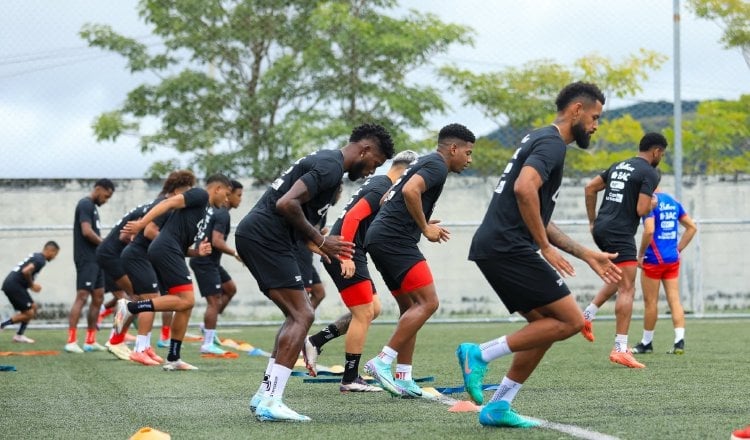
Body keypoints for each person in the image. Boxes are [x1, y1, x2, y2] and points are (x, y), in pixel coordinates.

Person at [456, 82, 621, 428]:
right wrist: (543, 248)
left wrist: (586, 253)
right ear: (576, 110)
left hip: (498, 246)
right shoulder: (551, 144)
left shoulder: (539, 138)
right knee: (572, 321)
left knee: (546, 327)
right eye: (594, 117)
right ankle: (480, 354)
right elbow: (523, 188)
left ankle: (499, 406)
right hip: (507, 246)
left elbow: (540, 216)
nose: (595, 125)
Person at [239, 123, 394, 422]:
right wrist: (323, 240)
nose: (370, 172)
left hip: (265, 238)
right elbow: (286, 204)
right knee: (303, 315)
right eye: (374, 164)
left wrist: (325, 247)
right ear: (365, 150)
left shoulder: (329, 166)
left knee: (296, 314)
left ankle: (265, 395)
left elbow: (298, 218)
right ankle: (272, 400)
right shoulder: (330, 165)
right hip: (265, 238)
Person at [363, 124, 474, 400]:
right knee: (429, 302)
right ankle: (381, 362)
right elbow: (411, 191)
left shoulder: (424, 163)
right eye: (468, 153)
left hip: (380, 238)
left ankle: (403, 377)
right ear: (453, 149)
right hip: (394, 241)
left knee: (411, 308)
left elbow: (390, 196)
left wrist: (418, 221)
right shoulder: (436, 165)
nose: (469, 160)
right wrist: (423, 227)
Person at [304, 150, 419, 393]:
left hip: (352, 251)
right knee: (364, 313)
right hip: (346, 251)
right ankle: (350, 378)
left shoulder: (380, 184)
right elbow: (354, 217)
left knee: (372, 309)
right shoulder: (381, 186)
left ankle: (316, 341)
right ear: (407, 170)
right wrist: (345, 256)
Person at [115, 174, 232, 371]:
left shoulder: (203, 212)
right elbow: (169, 202)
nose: (227, 200)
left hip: (169, 250)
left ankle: (173, 357)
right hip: (165, 249)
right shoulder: (200, 195)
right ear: (218, 189)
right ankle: (131, 308)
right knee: (187, 300)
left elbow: (181, 245)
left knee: (184, 306)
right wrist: (141, 224)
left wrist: (197, 252)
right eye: (227, 194)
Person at [581, 132, 666, 368]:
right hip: (620, 232)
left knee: (620, 277)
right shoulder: (650, 171)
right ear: (657, 151)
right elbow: (641, 209)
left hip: (602, 228)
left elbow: (590, 188)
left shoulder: (619, 165)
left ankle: (586, 315)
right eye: (662, 154)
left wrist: (591, 221)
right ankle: (620, 348)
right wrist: (653, 203)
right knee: (628, 287)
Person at [100, 171, 196, 361]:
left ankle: (133, 343)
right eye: (187, 191)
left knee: (139, 299)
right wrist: (168, 246)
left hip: (135, 255)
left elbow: (134, 234)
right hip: (133, 256)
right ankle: (136, 347)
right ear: (178, 190)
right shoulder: (164, 205)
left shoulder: (162, 204)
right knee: (147, 299)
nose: (188, 197)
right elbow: (145, 232)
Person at [631, 189, 697, 355]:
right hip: (672, 259)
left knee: (651, 302)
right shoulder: (672, 200)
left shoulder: (650, 202)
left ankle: (647, 343)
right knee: (674, 300)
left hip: (653, 259)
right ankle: (679, 341)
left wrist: (640, 255)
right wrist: (678, 249)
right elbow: (692, 227)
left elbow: (649, 230)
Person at [189, 179, 244, 355]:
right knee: (214, 302)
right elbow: (217, 241)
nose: (240, 200)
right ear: (227, 196)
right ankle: (207, 342)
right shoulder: (222, 214)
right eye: (238, 195)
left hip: (211, 262)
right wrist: (235, 253)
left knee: (230, 288)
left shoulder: (216, 212)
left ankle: (207, 327)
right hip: (204, 261)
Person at [65, 178, 115, 353]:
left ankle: (90, 340)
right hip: (86, 259)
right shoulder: (85, 204)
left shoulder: (93, 207)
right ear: (99, 189)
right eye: (106, 196)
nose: (106, 200)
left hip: (97, 259)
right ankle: (71, 341)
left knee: (99, 296)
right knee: (82, 296)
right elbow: (86, 231)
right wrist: (104, 244)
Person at [1, 241, 60, 343]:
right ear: (50, 250)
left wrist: (29, 284)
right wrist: (32, 285)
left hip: (13, 285)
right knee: (29, 313)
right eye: (55, 254)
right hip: (14, 286)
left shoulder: (37, 256)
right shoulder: (41, 260)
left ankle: (19, 335)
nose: (55, 257)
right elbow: (26, 271)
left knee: (33, 307)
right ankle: (2, 325)